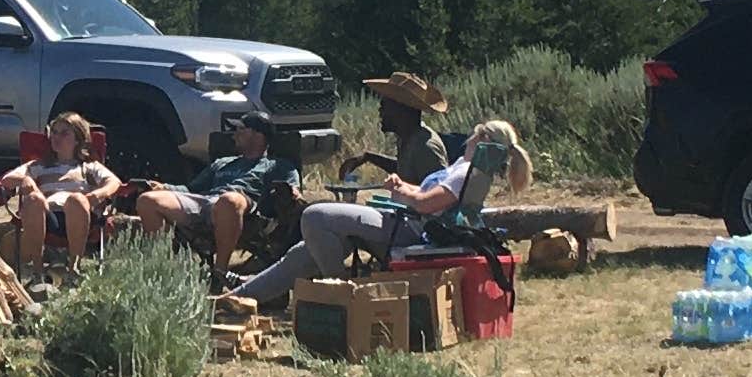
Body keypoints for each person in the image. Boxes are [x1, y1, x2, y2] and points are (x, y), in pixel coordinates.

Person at [227, 115, 531, 312]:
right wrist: (406, 187)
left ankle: (343, 297)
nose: (468, 139)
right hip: (410, 223)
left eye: (474, 136)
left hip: (410, 229)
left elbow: (427, 204)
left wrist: (401, 193)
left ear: (481, 141)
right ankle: (236, 297)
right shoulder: (472, 172)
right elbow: (434, 200)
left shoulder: (464, 169)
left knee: (314, 216)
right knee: (303, 253)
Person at [125, 107, 299, 280]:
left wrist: (291, 194)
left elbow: (293, 193)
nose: (234, 135)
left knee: (229, 200)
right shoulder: (222, 163)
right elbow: (192, 189)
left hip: (246, 211)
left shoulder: (278, 166)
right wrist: (164, 187)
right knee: (147, 200)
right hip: (206, 202)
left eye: (240, 130)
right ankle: (168, 269)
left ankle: (219, 272)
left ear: (257, 135)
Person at [0, 108, 123, 268]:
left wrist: (97, 195)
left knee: (76, 199)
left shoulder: (88, 166)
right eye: (54, 133)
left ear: (77, 139)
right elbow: (7, 180)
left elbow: (114, 182)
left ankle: (74, 267)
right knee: (34, 199)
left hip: (80, 215)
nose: (57, 137)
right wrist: (26, 180)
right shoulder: (40, 166)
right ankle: (38, 269)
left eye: (64, 133)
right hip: (47, 217)